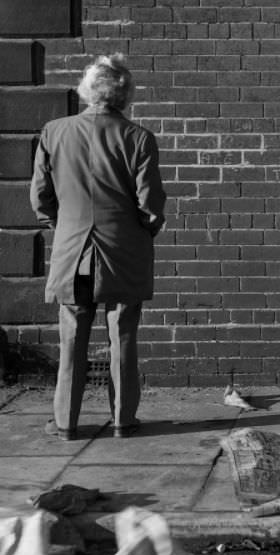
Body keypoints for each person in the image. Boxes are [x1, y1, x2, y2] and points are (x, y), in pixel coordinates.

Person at [30, 54, 166, 440]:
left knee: (72, 336)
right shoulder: (139, 138)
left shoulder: (54, 132)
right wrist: (140, 232)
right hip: (123, 250)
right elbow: (150, 204)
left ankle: (65, 423)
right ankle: (124, 420)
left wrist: (64, 226)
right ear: (125, 95)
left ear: (87, 91)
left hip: (73, 250)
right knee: (122, 334)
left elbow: (41, 198)